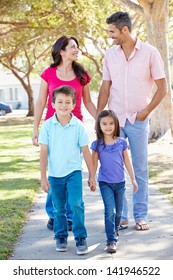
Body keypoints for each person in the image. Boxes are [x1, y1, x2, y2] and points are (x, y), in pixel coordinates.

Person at [96, 11, 167, 231]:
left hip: (138, 121)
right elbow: (105, 87)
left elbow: (163, 87)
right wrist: (100, 117)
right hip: (115, 122)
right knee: (115, 170)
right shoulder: (110, 55)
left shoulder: (150, 53)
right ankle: (122, 215)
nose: (110, 36)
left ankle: (140, 215)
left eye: (112, 32)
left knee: (139, 169)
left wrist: (145, 112)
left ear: (124, 30)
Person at [32, 35, 96, 231]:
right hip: (53, 127)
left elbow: (87, 102)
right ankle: (53, 214)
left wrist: (100, 120)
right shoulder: (49, 73)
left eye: (77, 47)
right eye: (73, 47)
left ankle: (68, 215)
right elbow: (41, 102)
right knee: (55, 170)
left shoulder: (81, 73)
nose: (77, 50)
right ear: (62, 51)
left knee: (71, 169)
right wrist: (35, 128)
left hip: (74, 127)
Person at [38, 85, 96, 254]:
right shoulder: (47, 126)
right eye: (60, 101)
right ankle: (61, 236)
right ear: (53, 104)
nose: (64, 105)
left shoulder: (78, 126)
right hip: (55, 175)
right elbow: (43, 152)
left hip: (73, 173)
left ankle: (80, 237)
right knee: (58, 208)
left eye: (68, 102)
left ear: (73, 105)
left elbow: (86, 151)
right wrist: (43, 177)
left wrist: (92, 175)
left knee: (77, 204)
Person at [91, 110, 138, 253]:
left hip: (120, 183)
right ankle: (111, 240)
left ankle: (115, 229)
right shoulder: (97, 144)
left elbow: (128, 162)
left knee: (119, 212)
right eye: (104, 124)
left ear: (116, 124)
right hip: (105, 182)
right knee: (109, 211)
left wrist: (133, 179)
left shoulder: (122, 143)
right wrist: (91, 178)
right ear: (99, 125)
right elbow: (93, 164)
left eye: (111, 123)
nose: (108, 126)